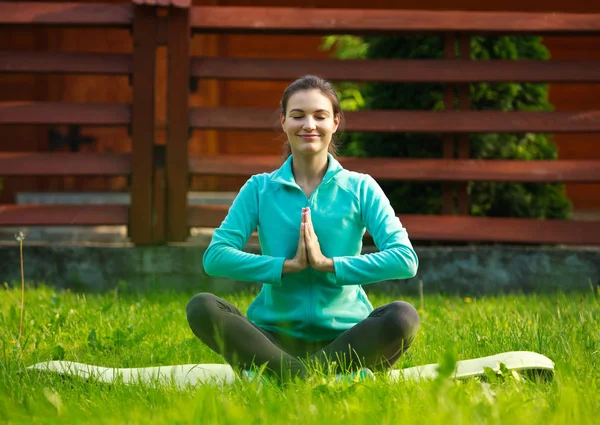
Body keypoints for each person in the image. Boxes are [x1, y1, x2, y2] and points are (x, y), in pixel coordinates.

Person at [186, 75, 420, 382]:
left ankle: (285, 377)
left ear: (335, 122)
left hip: (347, 338)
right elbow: (215, 258)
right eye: (298, 116)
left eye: (320, 116)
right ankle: (314, 376)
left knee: (403, 316)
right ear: (283, 122)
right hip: (273, 340)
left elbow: (405, 260)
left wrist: (328, 265)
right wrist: (284, 267)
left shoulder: (361, 187)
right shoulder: (259, 189)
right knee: (202, 306)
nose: (308, 125)